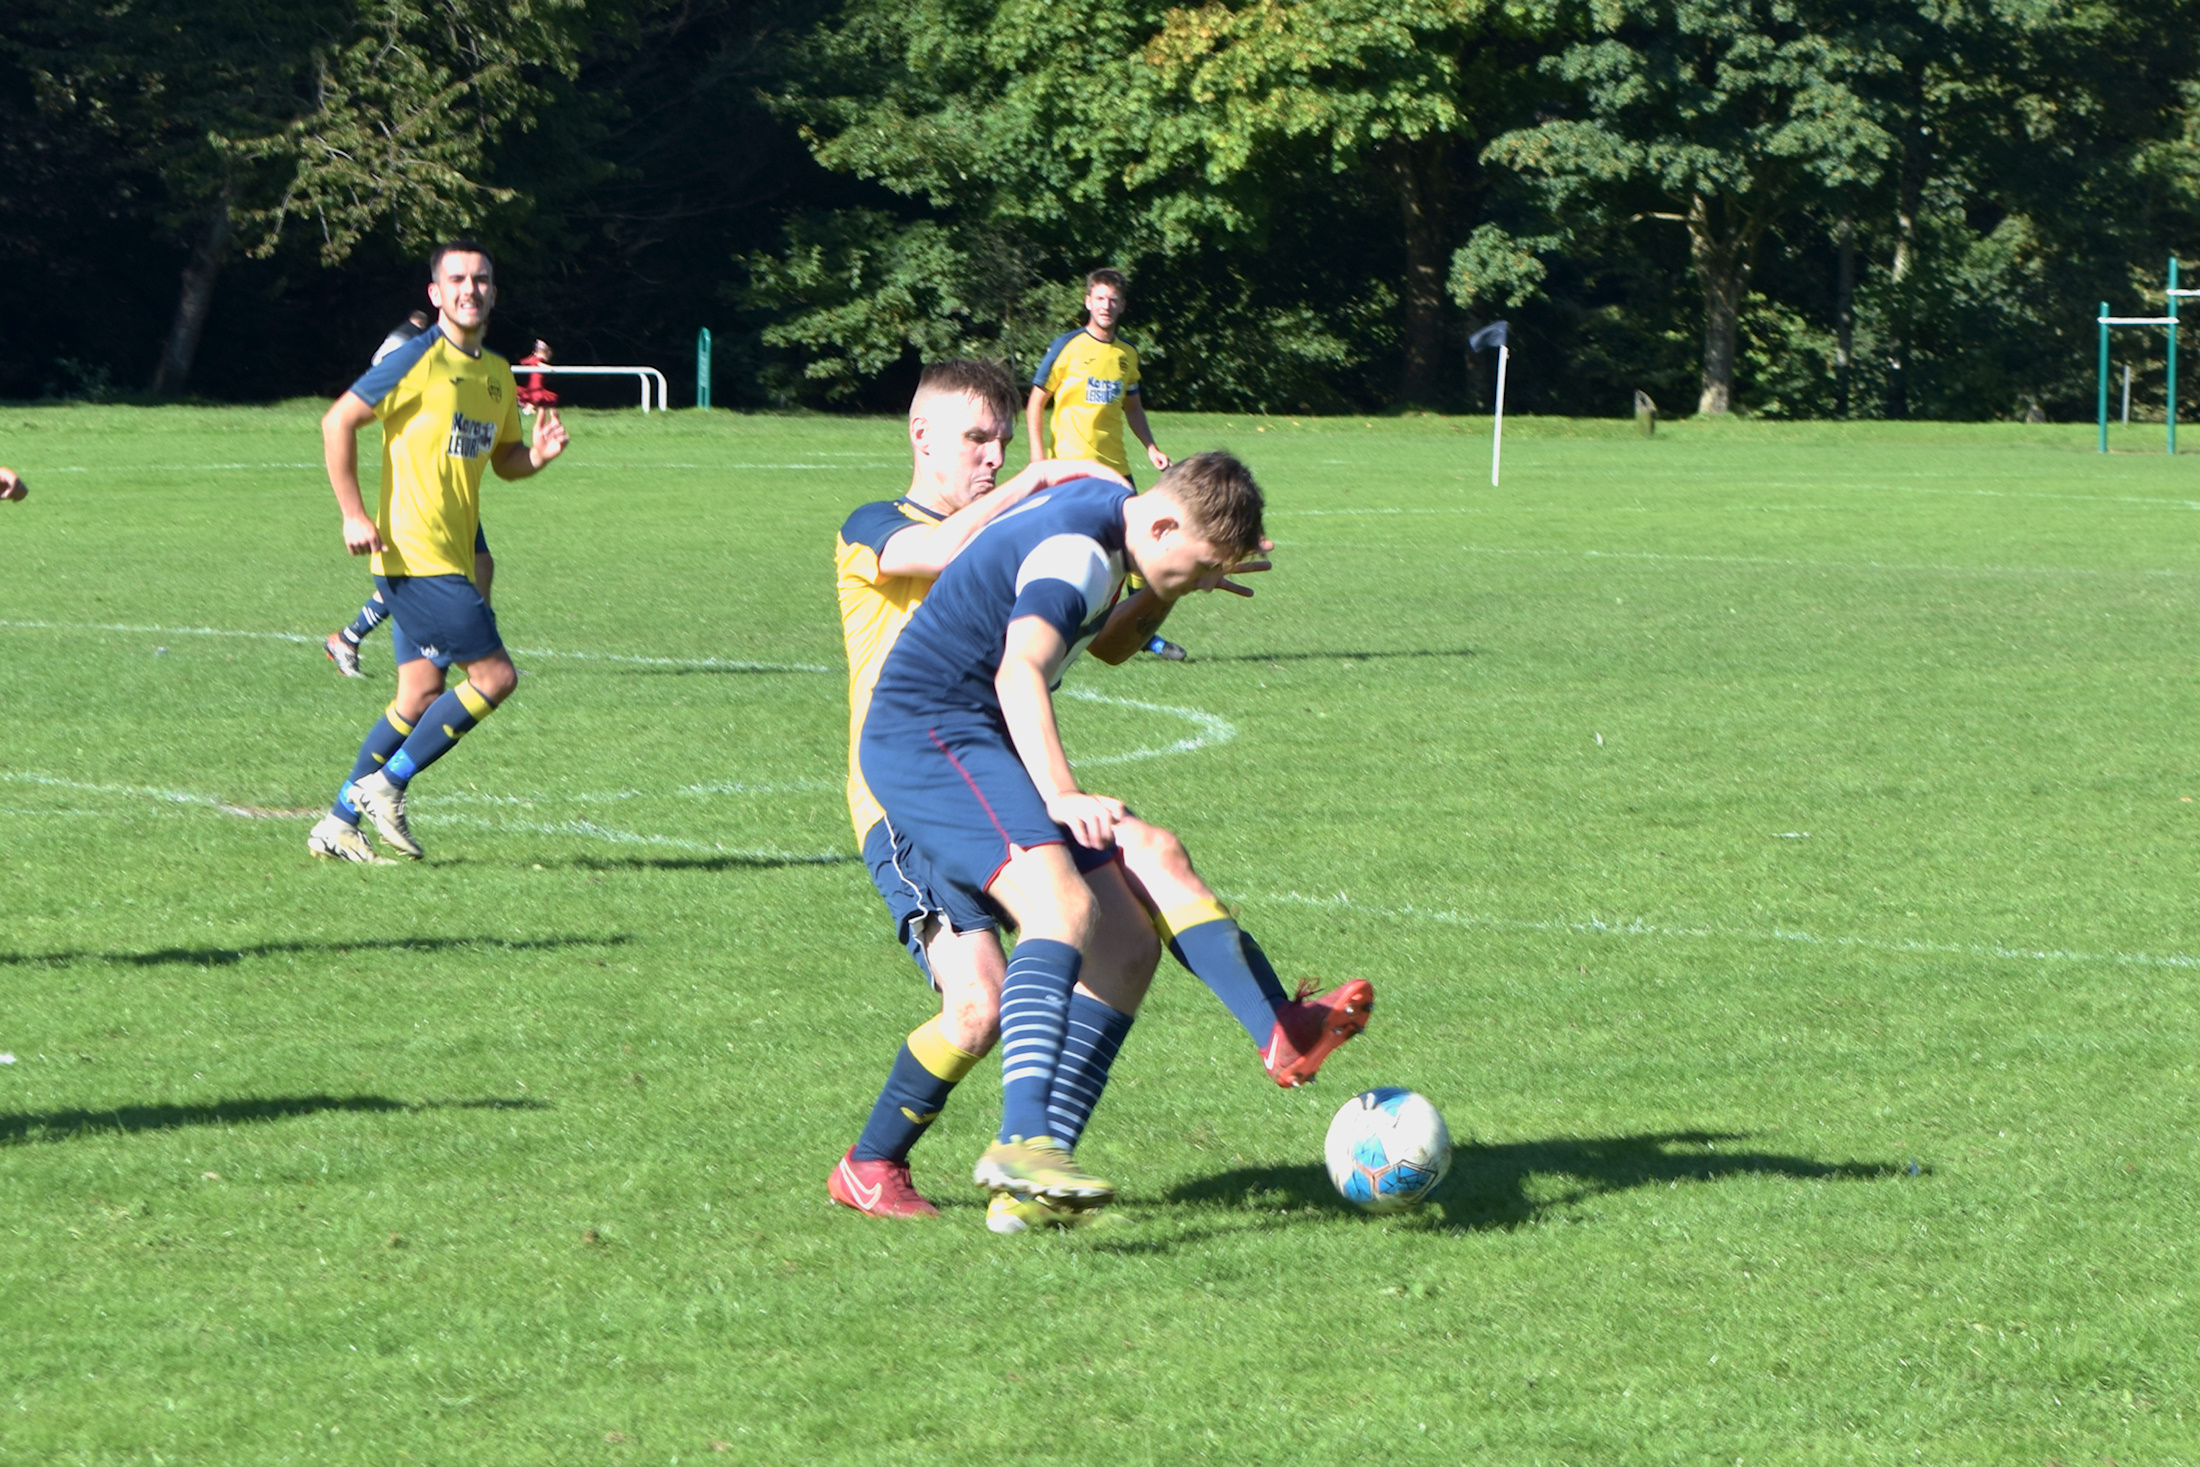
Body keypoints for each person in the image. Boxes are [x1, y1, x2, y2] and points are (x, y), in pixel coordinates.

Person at [830, 364, 1372, 1231]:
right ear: (1160, 521)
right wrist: (1065, 792)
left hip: (983, 744)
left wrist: (1168, 585)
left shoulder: (1118, 527)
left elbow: (1109, 642)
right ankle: (1016, 1141)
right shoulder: (1077, 547)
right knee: (1049, 921)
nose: (994, 454)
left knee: (1128, 926)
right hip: (927, 740)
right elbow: (1018, 670)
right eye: (1190, 565)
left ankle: (1271, 1033)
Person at [306, 241, 568, 864]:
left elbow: (502, 461)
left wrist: (536, 456)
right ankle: (386, 784)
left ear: (493, 292)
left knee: (418, 696)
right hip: (413, 556)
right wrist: (352, 514)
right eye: (456, 279)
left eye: (480, 279)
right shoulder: (416, 359)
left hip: (451, 554)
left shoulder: (499, 376)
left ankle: (337, 823)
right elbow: (336, 421)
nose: (469, 289)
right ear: (435, 293)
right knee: (496, 677)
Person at [325, 310, 495, 678]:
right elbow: (356, 401)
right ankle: (349, 637)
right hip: (420, 483)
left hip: (451, 483)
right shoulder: (414, 347)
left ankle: (483, 649)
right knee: (420, 576)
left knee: (479, 564)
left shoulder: (458, 353)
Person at [1026, 268, 1185, 660]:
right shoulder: (1066, 347)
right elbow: (1034, 403)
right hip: (1070, 468)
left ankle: (1138, 631)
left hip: (1116, 467)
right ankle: (1058, 624)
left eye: (1113, 300)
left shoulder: (1125, 354)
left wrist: (1151, 446)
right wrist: (1037, 458)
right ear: (1087, 301)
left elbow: (1133, 405)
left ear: (1122, 306)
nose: (1106, 306)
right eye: (1099, 298)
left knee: (1137, 544)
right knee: (1070, 545)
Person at [516, 340, 560, 413]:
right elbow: (539, 364)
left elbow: (523, 362)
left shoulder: (533, 359)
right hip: (536, 382)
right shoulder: (537, 359)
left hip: (534, 381)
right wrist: (550, 368)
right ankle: (527, 410)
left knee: (534, 397)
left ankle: (529, 409)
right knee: (536, 397)